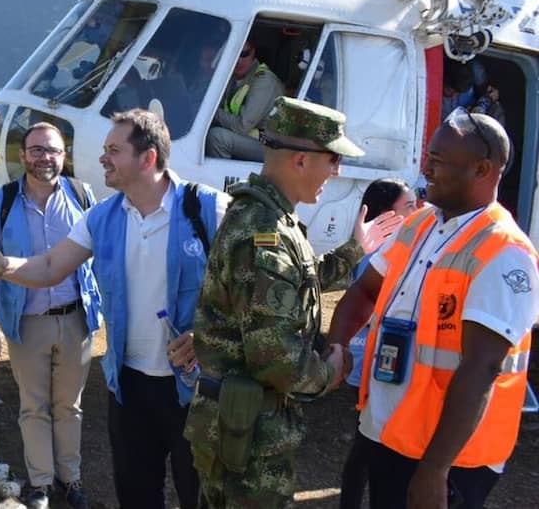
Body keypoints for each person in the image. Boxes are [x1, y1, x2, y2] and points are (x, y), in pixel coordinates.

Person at [0, 109, 230, 509]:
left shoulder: (207, 210)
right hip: (128, 387)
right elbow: (49, 266)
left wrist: (210, 334)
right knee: (135, 495)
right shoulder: (102, 216)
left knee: (198, 494)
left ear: (147, 158)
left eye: (114, 150)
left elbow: (251, 286)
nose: (102, 158)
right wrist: (0, 265)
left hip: (195, 390)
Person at [186, 96, 404, 509]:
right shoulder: (264, 231)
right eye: (332, 159)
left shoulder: (267, 217)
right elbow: (277, 358)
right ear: (301, 160)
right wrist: (330, 370)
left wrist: (354, 251)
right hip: (248, 437)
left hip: (239, 424)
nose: (337, 170)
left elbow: (288, 288)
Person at [327, 108, 539, 509]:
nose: (426, 168)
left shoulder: (505, 254)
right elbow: (363, 292)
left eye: (438, 161)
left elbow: (482, 368)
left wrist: (435, 470)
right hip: (388, 432)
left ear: (482, 170)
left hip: (448, 458)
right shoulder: (420, 224)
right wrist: (337, 346)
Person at [0, 122, 101, 509]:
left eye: (52, 150)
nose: (44, 157)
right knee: (33, 406)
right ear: (22, 155)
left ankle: (72, 478)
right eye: (36, 150)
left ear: (64, 156)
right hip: (25, 322)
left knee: (70, 405)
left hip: (75, 319)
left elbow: (101, 259)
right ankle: (40, 484)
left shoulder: (83, 197)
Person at [340, 178, 416, 509]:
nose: (418, 210)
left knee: (363, 450)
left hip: (379, 367)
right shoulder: (378, 252)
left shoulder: (401, 245)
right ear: (387, 214)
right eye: (409, 206)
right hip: (373, 366)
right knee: (365, 451)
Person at [205, 37, 284, 161]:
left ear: (253, 52)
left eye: (244, 54)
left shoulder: (263, 80)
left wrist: (211, 111)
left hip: (269, 146)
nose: (238, 60)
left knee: (217, 137)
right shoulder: (231, 76)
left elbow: (242, 126)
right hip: (248, 138)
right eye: (234, 54)